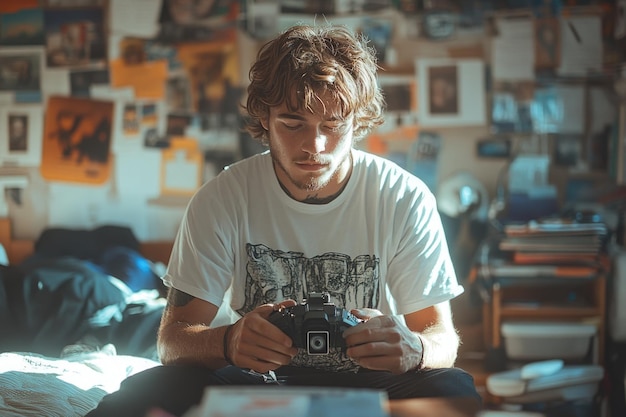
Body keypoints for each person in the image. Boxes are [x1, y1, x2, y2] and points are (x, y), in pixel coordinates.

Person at [87, 23, 480, 417]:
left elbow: (442, 338)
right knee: (146, 392)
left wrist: (416, 348)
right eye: (293, 124)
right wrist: (227, 342)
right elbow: (172, 342)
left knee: (453, 390)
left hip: (375, 380)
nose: (315, 147)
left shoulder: (403, 197)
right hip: (258, 378)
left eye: (333, 126)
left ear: (357, 123)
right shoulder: (222, 198)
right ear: (265, 119)